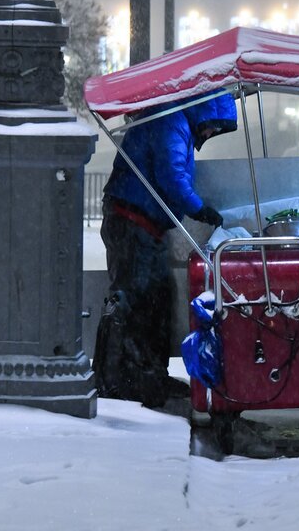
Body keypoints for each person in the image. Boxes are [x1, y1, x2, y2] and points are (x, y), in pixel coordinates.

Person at [94, 93, 238, 407]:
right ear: (205, 115)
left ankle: (150, 375)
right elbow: (172, 176)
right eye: (214, 128)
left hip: (143, 225)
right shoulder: (171, 121)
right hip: (133, 224)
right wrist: (200, 209)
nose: (212, 135)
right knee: (137, 302)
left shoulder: (177, 124)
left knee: (156, 301)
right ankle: (125, 379)